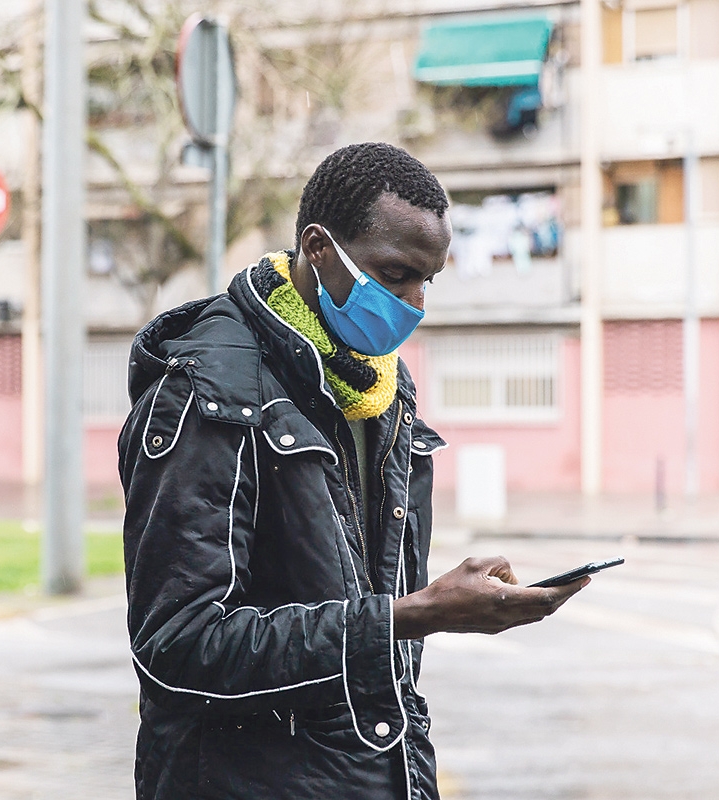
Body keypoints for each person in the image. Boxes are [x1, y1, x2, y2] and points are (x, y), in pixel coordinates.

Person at [118, 142, 588, 800]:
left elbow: (384, 670)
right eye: (396, 274)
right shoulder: (208, 392)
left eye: (429, 280)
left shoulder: (382, 390)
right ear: (317, 247)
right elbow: (178, 648)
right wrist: (409, 615)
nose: (415, 302)